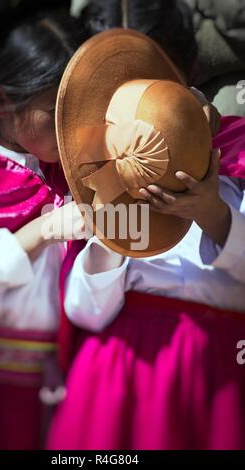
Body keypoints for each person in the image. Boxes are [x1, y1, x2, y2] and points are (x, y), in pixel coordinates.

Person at [47, 28, 245, 449]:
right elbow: (86, 313)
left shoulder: (237, 184)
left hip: (216, 377)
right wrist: (110, 235)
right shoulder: (112, 198)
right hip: (120, 378)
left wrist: (212, 214)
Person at [0, 1, 86, 450]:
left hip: (58, 394)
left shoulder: (63, 171)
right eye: (56, 110)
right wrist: (40, 232)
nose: (73, 127)